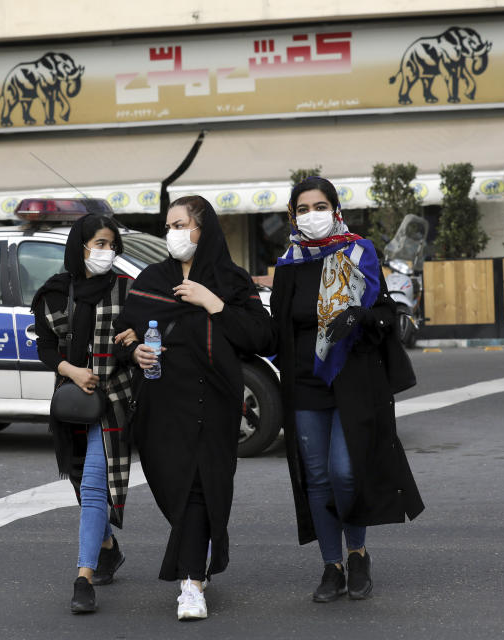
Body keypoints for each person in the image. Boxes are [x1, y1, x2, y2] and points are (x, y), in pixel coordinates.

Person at [115, 195, 272, 621]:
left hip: (214, 404)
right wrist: (136, 356)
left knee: (202, 489)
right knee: (174, 490)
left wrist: (211, 302)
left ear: (203, 229)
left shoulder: (231, 280)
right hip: (162, 406)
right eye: (168, 226)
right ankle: (194, 564)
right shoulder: (151, 278)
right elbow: (124, 331)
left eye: (180, 224)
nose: (173, 234)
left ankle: (191, 584)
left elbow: (260, 336)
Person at [268, 175, 424, 603]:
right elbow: (275, 326)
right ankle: (332, 566)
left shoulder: (359, 251)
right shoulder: (289, 262)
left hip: (353, 382)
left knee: (344, 470)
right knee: (317, 478)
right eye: (302, 209)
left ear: (335, 210)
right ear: (292, 216)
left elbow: (386, 315)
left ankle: (358, 554)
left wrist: (360, 316)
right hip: (303, 384)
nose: (311, 216)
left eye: (319, 207)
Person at [30, 213, 136, 614]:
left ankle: (83, 578)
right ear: (80, 247)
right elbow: (44, 347)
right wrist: (72, 371)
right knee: (79, 482)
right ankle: (107, 547)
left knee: (93, 485)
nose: (106, 252)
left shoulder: (128, 291)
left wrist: (135, 343)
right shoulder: (55, 294)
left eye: (111, 244)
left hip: (114, 402)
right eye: (98, 244)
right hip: (71, 402)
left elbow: (140, 339)